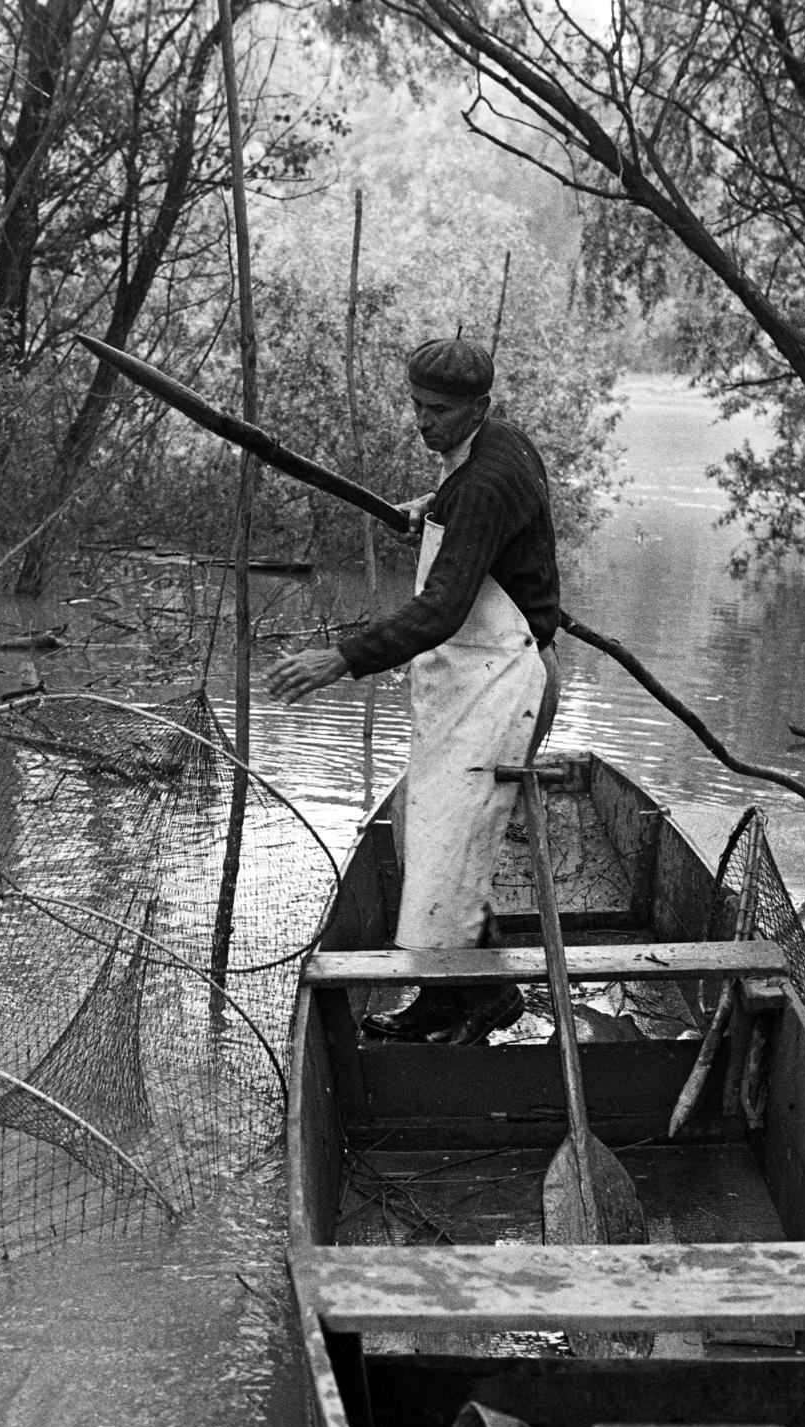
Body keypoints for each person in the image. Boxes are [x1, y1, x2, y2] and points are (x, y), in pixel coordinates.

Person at [265, 333, 560, 1045]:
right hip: (477, 677)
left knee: (449, 843)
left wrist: (342, 659)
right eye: (417, 406)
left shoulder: (485, 484)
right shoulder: (497, 447)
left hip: (505, 680)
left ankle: (466, 1001)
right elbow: (467, 506)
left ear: (479, 408)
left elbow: (442, 610)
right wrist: (431, 509)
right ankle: (472, 993)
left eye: (439, 412)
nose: (423, 422)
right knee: (432, 836)